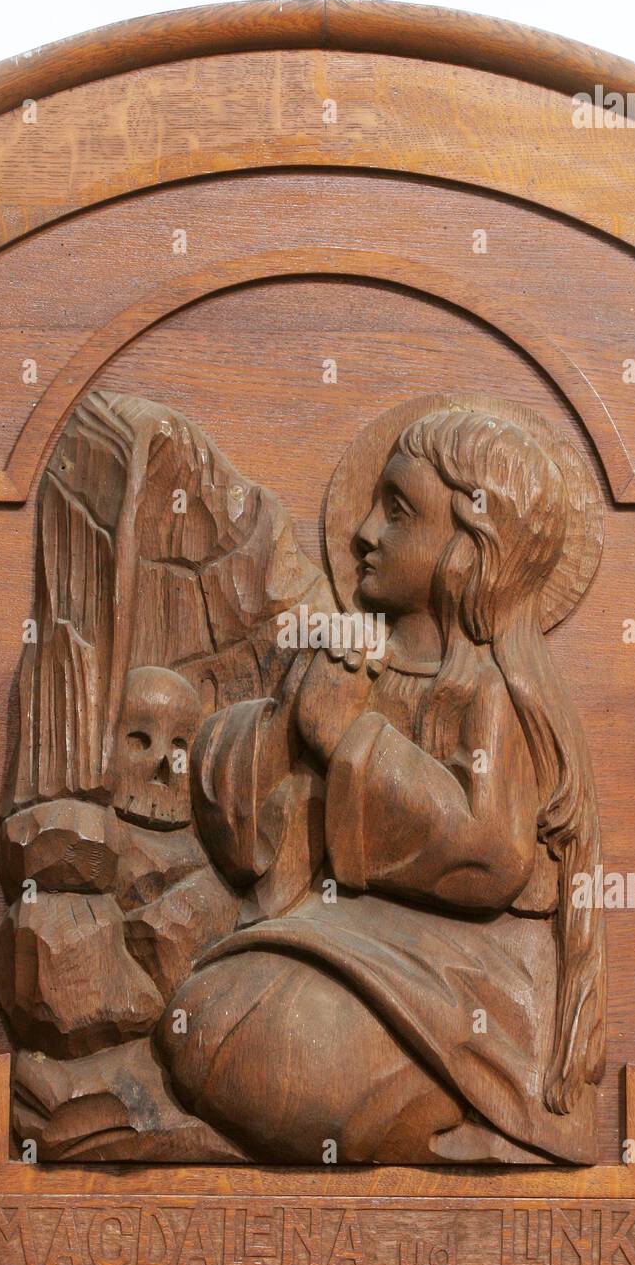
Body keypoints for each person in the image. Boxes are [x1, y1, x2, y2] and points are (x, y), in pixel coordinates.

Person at [157, 408, 605, 1165]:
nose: (365, 532)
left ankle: (446, 1106)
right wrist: (282, 733)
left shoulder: (495, 691)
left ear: (472, 548)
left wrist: (346, 741)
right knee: (206, 1017)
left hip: (470, 983)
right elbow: (277, 821)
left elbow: (489, 852)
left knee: (256, 1039)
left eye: (397, 511)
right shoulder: (366, 664)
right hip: (362, 939)